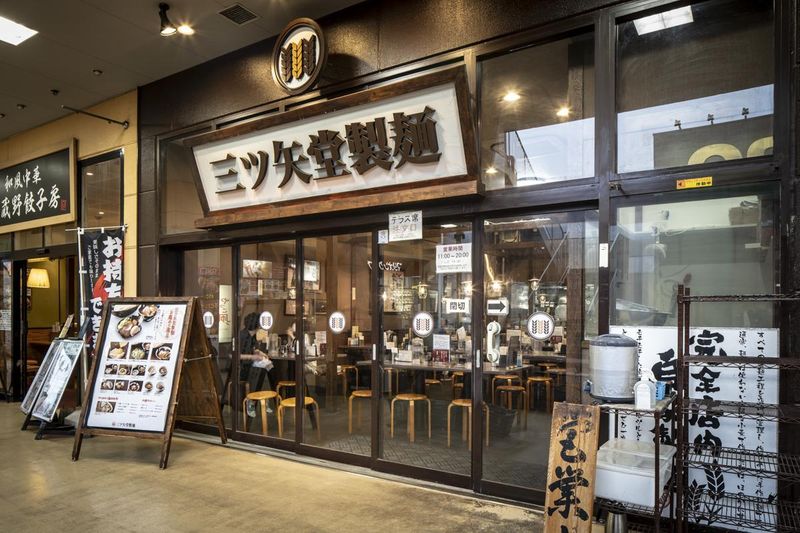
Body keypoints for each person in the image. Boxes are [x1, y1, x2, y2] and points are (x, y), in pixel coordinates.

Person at [239, 312, 272, 395]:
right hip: (241, 370)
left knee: (269, 368)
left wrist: (260, 352)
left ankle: (254, 400)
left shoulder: (253, 336)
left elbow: (252, 349)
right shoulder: (242, 336)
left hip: (248, 367)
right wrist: (253, 357)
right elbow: (235, 355)